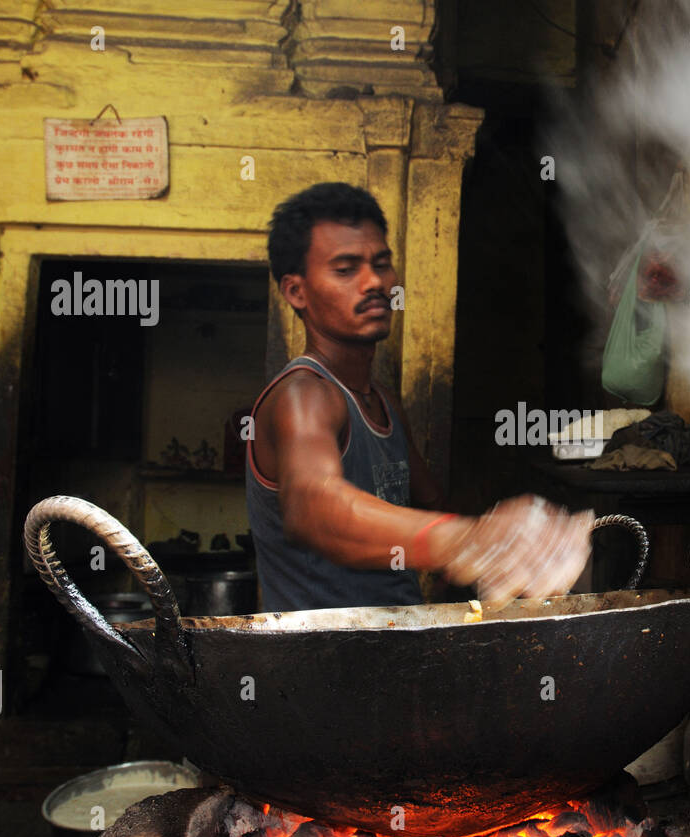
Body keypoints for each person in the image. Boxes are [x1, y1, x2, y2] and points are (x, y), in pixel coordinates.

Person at [247, 183, 593, 612]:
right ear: (296, 291)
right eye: (345, 269)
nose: (374, 281)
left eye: (381, 263)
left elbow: (434, 503)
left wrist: (518, 528)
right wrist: (467, 540)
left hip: (398, 641)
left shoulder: (385, 404)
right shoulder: (303, 395)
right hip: (320, 661)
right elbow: (314, 508)